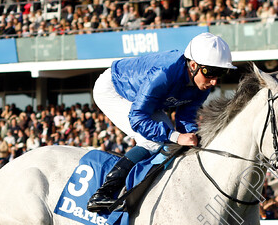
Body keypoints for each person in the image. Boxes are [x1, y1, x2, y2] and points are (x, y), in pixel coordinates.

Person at [86, 32, 235, 213]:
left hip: (144, 101)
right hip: (114, 89)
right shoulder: (164, 72)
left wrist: (192, 136)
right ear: (194, 65)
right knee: (152, 141)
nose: (214, 81)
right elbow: (138, 117)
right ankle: (103, 193)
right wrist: (175, 136)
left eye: (221, 73)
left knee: (172, 140)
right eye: (210, 72)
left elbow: (186, 119)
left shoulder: (202, 85)